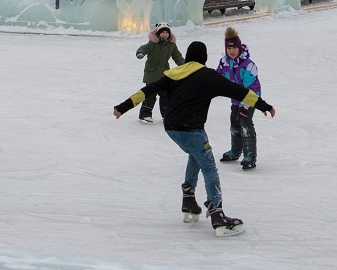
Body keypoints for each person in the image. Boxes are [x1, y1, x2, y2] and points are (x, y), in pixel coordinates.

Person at [113, 41, 276, 237]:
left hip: (172, 127)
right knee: (208, 166)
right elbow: (239, 91)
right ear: (204, 58)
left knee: (195, 154)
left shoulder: (173, 74)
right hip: (192, 128)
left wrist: (122, 107)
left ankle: (188, 199)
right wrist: (264, 106)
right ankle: (217, 212)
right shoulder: (208, 76)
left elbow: (146, 90)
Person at [215, 27, 262, 170]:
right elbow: (217, 79)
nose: (232, 51)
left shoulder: (248, 65)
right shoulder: (224, 63)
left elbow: (252, 89)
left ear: (239, 47)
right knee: (234, 124)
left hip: (250, 100)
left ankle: (250, 155)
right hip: (235, 100)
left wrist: (245, 106)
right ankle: (235, 151)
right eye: (229, 48)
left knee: (245, 124)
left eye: (234, 47)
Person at [134, 22, 184, 124]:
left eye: (167, 32)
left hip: (164, 74)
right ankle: (145, 114)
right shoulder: (153, 44)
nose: (165, 34)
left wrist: (187, 66)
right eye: (162, 32)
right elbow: (144, 48)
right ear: (158, 33)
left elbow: (178, 57)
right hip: (152, 73)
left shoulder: (171, 46)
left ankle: (167, 114)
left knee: (166, 95)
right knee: (150, 95)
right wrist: (140, 53)